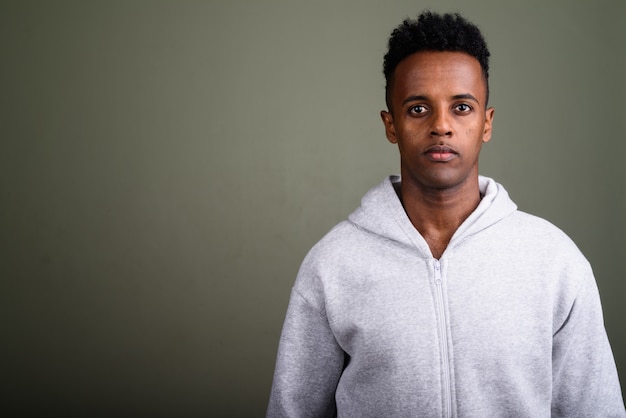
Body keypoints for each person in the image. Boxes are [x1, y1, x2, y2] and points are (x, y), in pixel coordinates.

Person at [267, 11, 625, 417]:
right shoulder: (333, 266)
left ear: (486, 123)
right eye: (419, 109)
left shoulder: (555, 262)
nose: (441, 125)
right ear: (391, 125)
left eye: (462, 107)